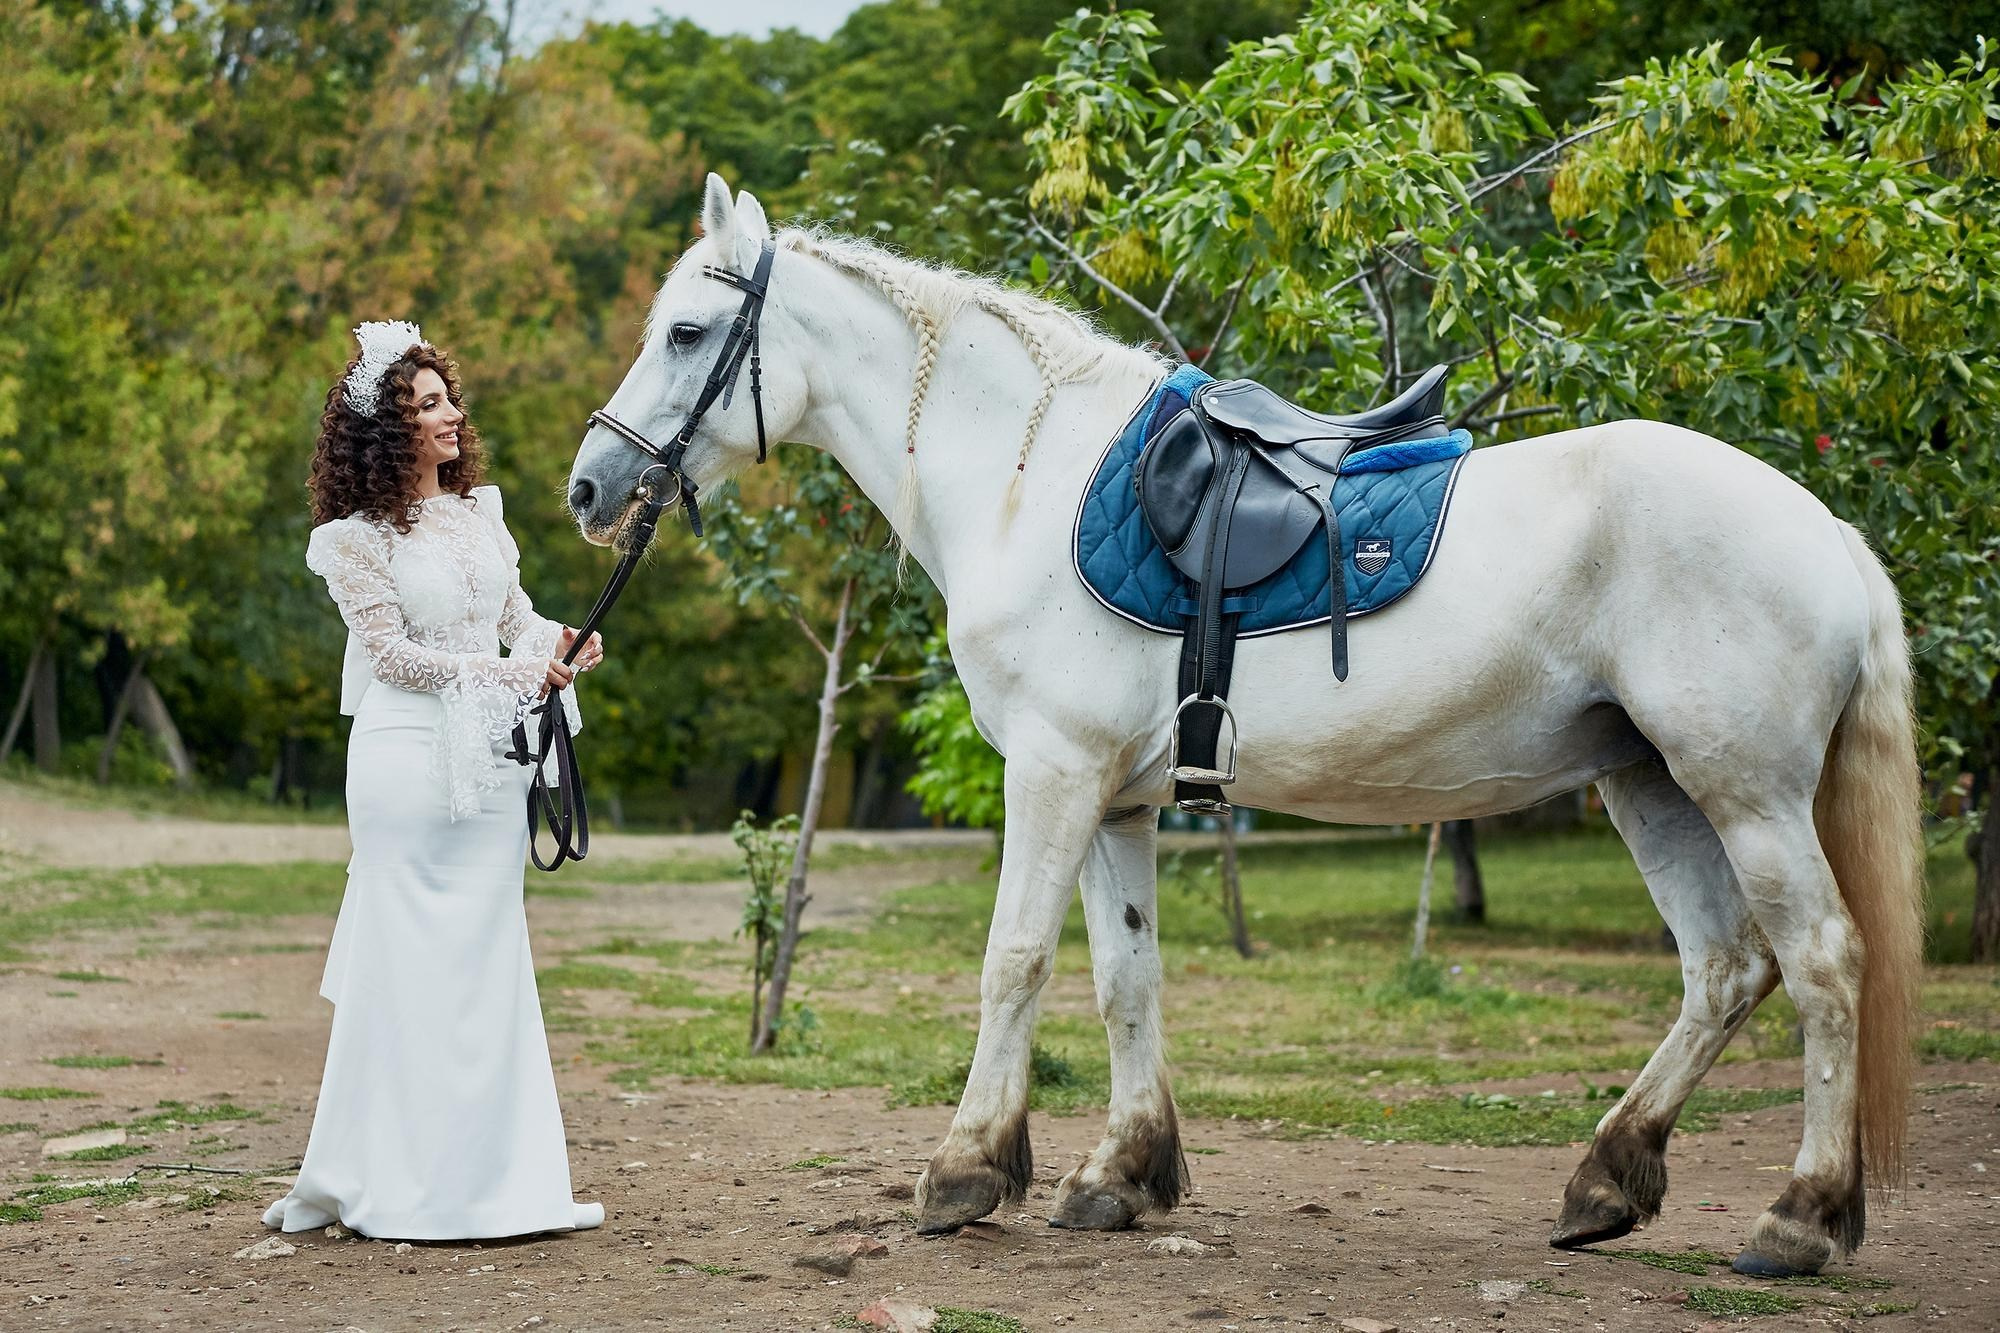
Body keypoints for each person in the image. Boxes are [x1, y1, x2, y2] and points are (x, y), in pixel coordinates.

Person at [263, 321, 605, 1240]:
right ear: (386, 431)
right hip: (405, 764)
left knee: (486, 962)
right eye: (425, 406)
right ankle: (400, 1180)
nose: (450, 415)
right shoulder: (351, 540)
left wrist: (560, 643)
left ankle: (499, 1182)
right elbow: (393, 657)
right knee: (408, 964)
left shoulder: (481, 513)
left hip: (489, 767)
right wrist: (514, 673)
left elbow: (513, 621)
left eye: (447, 397)